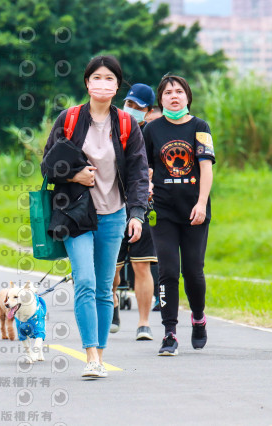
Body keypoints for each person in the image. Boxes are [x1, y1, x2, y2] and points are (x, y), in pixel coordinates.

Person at [42, 55, 149, 378]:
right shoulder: (70, 119)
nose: (103, 84)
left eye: (109, 78)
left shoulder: (127, 125)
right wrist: (73, 176)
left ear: (117, 86)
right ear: (87, 83)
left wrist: (137, 214)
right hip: (75, 214)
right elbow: (48, 165)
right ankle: (89, 354)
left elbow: (138, 173)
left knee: (104, 288)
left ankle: (99, 356)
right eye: (97, 78)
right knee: (85, 281)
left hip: (114, 215)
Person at [143, 75, 215, 356]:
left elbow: (206, 168)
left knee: (193, 272)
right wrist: (147, 184)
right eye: (168, 92)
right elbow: (146, 166)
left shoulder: (200, 127)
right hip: (162, 211)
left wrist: (201, 203)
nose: (174, 96)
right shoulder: (152, 129)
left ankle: (198, 317)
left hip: (194, 210)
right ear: (160, 99)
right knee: (168, 271)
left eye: (179, 91)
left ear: (187, 97)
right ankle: (169, 333)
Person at [110, 83, 159, 340]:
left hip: (144, 206)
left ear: (148, 111)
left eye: (138, 107)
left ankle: (144, 323)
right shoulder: (112, 127)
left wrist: (152, 178)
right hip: (112, 205)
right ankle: (113, 305)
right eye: (129, 104)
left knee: (142, 266)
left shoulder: (153, 133)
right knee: (113, 268)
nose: (132, 109)